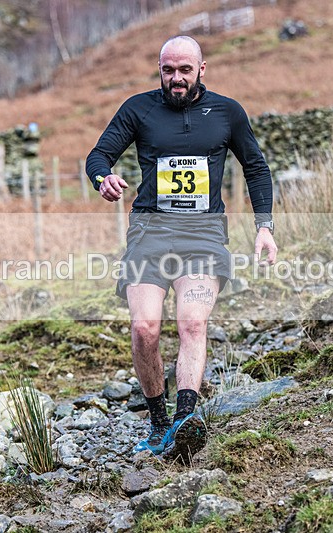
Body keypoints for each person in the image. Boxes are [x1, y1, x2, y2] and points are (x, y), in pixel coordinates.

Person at [85, 35, 277, 462]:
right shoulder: (139, 108)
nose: (176, 78)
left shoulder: (227, 112)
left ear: (201, 70)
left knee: (191, 324)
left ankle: (184, 423)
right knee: (144, 329)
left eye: (184, 70)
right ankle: (157, 421)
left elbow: (256, 167)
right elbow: (98, 156)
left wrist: (264, 226)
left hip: (203, 237)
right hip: (149, 235)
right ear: (159, 69)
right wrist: (103, 179)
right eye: (168, 70)